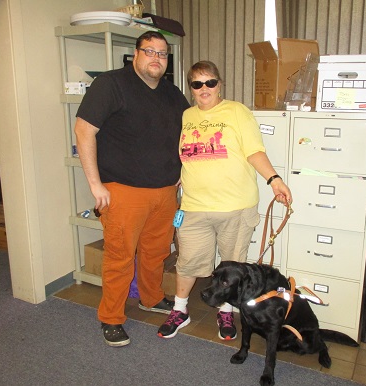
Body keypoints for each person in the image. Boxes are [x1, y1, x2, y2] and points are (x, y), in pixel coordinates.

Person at [157, 61, 292, 340]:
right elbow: (185, 154)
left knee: (233, 265)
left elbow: (254, 151)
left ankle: (226, 312)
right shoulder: (186, 116)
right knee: (188, 261)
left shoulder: (237, 112)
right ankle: (180, 310)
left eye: (210, 82)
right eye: (197, 84)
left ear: (220, 84)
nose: (204, 89)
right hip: (194, 206)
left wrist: (274, 179)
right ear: (191, 88)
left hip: (236, 206)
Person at [74, 31, 190, 347]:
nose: (156, 58)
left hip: (165, 191)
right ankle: (111, 318)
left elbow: (188, 131)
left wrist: (184, 169)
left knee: (156, 252)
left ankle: (150, 299)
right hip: (122, 190)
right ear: (135, 54)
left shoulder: (171, 93)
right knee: (120, 258)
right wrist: (95, 184)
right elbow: (84, 130)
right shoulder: (111, 85)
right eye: (149, 51)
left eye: (163, 54)